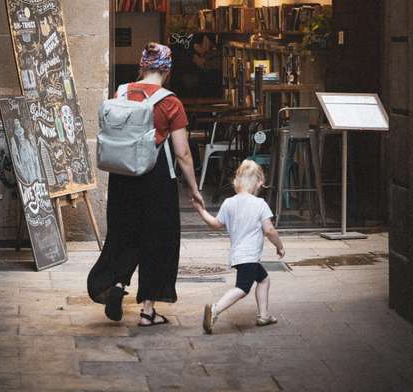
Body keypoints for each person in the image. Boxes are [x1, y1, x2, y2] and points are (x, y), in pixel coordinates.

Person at [87, 42, 203, 326]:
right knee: (157, 240)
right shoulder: (170, 102)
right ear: (167, 68)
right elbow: (182, 153)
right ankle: (148, 311)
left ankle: (116, 285)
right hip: (155, 177)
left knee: (124, 233)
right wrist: (195, 189)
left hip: (123, 177)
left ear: (142, 65)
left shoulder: (122, 92)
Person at [192, 159, 285, 334]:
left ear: (236, 182)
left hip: (239, 256)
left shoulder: (229, 203)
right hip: (249, 256)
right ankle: (215, 309)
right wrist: (279, 246)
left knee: (264, 279)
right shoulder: (260, 204)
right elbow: (270, 230)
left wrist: (201, 210)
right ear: (259, 183)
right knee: (242, 288)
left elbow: (215, 224)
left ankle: (264, 315)